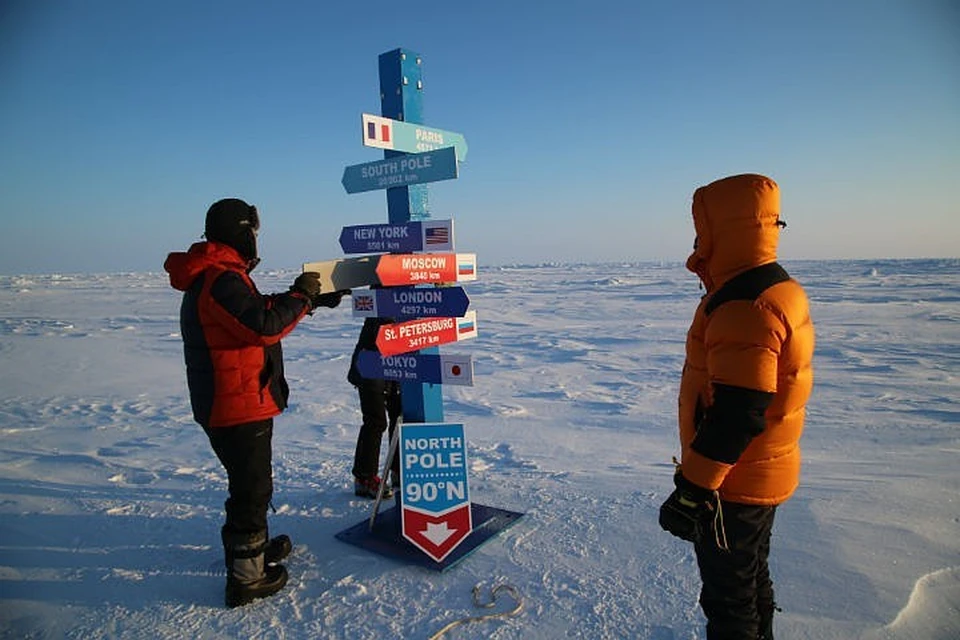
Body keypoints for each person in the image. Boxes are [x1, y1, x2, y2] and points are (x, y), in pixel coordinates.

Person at [163, 197, 347, 608]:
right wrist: (300, 297)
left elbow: (256, 311)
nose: (255, 239)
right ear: (240, 231)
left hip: (234, 397)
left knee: (251, 484)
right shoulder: (221, 278)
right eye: (252, 231)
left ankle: (253, 550)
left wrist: (309, 300)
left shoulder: (220, 274)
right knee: (251, 488)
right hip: (235, 401)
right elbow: (262, 325)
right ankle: (247, 577)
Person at [658, 174, 815, 640]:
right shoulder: (773, 287)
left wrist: (693, 489)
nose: (695, 239)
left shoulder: (746, 306)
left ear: (720, 230)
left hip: (734, 483)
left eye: (701, 228)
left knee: (728, 598)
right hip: (762, 470)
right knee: (750, 579)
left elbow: (737, 412)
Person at [347, 314, 403, 498]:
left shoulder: (410, 292)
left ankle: (398, 469)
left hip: (401, 358)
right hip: (372, 359)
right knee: (376, 421)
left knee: (400, 416)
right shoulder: (379, 296)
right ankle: (365, 477)